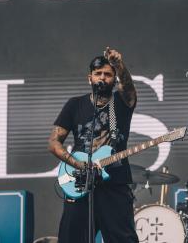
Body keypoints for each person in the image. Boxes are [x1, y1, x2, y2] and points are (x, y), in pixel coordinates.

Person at [48, 47, 139, 243]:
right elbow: (54, 142)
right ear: (89, 78)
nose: (102, 78)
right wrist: (77, 164)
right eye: (98, 74)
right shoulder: (75, 105)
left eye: (108, 74)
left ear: (114, 79)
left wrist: (119, 65)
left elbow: (129, 89)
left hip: (115, 185)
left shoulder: (122, 102)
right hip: (81, 183)